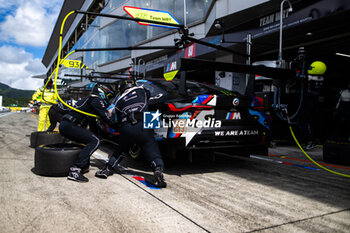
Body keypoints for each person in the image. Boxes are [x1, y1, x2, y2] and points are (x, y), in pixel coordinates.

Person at [95, 79, 167, 188]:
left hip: (127, 125)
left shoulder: (118, 100)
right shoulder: (142, 90)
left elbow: (117, 120)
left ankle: (107, 169)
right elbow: (151, 100)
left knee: (120, 150)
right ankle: (157, 169)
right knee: (152, 149)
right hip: (144, 124)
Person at [59, 83, 117, 182]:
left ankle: (79, 165)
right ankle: (75, 170)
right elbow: (107, 118)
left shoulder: (89, 99)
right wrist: (119, 126)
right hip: (70, 125)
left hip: (67, 124)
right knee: (95, 141)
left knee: (92, 139)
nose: (109, 99)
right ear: (103, 92)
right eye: (109, 96)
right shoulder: (96, 100)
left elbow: (93, 124)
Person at [298, 61, 327, 150]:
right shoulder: (322, 78)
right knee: (312, 122)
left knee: (304, 122)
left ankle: (310, 141)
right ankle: (314, 140)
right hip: (315, 104)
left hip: (308, 103)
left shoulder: (310, 78)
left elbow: (298, 78)